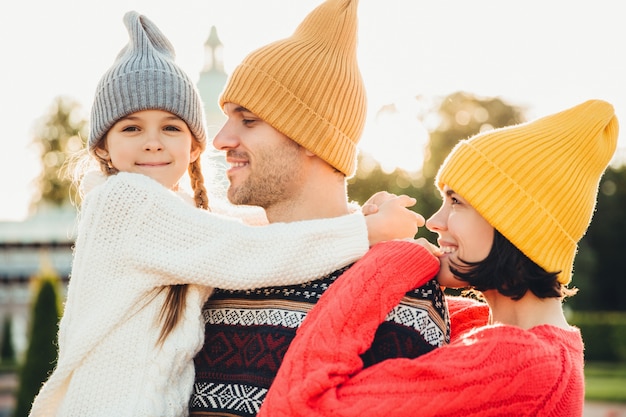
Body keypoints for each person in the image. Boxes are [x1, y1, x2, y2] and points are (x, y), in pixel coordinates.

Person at [27, 11, 422, 417]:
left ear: (192, 147)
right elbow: (245, 249)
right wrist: (365, 229)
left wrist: (356, 223)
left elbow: (237, 232)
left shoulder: (171, 215)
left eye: (171, 128)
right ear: (103, 148)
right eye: (130, 128)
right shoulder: (125, 200)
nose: (152, 143)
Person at [257, 99, 619, 417]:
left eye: (457, 202)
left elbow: (299, 408)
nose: (435, 221)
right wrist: (357, 242)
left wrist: (393, 259)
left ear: (516, 226)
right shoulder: (476, 325)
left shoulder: (525, 364)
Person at [189, 1, 449, 415]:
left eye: (249, 120)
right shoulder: (216, 269)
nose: (220, 140)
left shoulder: (397, 289)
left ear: (310, 136)